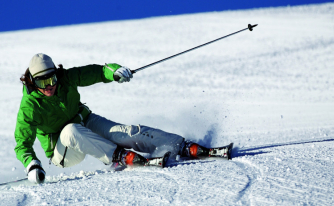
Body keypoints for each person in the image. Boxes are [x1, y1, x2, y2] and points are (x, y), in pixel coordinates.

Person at [15, 53, 229, 184]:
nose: (50, 86)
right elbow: (22, 143)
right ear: (33, 82)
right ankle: (118, 157)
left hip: (85, 121)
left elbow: (98, 72)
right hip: (64, 150)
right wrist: (32, 164)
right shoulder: (30, 106)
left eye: (52, 79)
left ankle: (181, 145)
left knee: (127, 132)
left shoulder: (66, 79)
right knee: (71, 131)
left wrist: (115, 72)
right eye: (43, 83)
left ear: (56, 74)